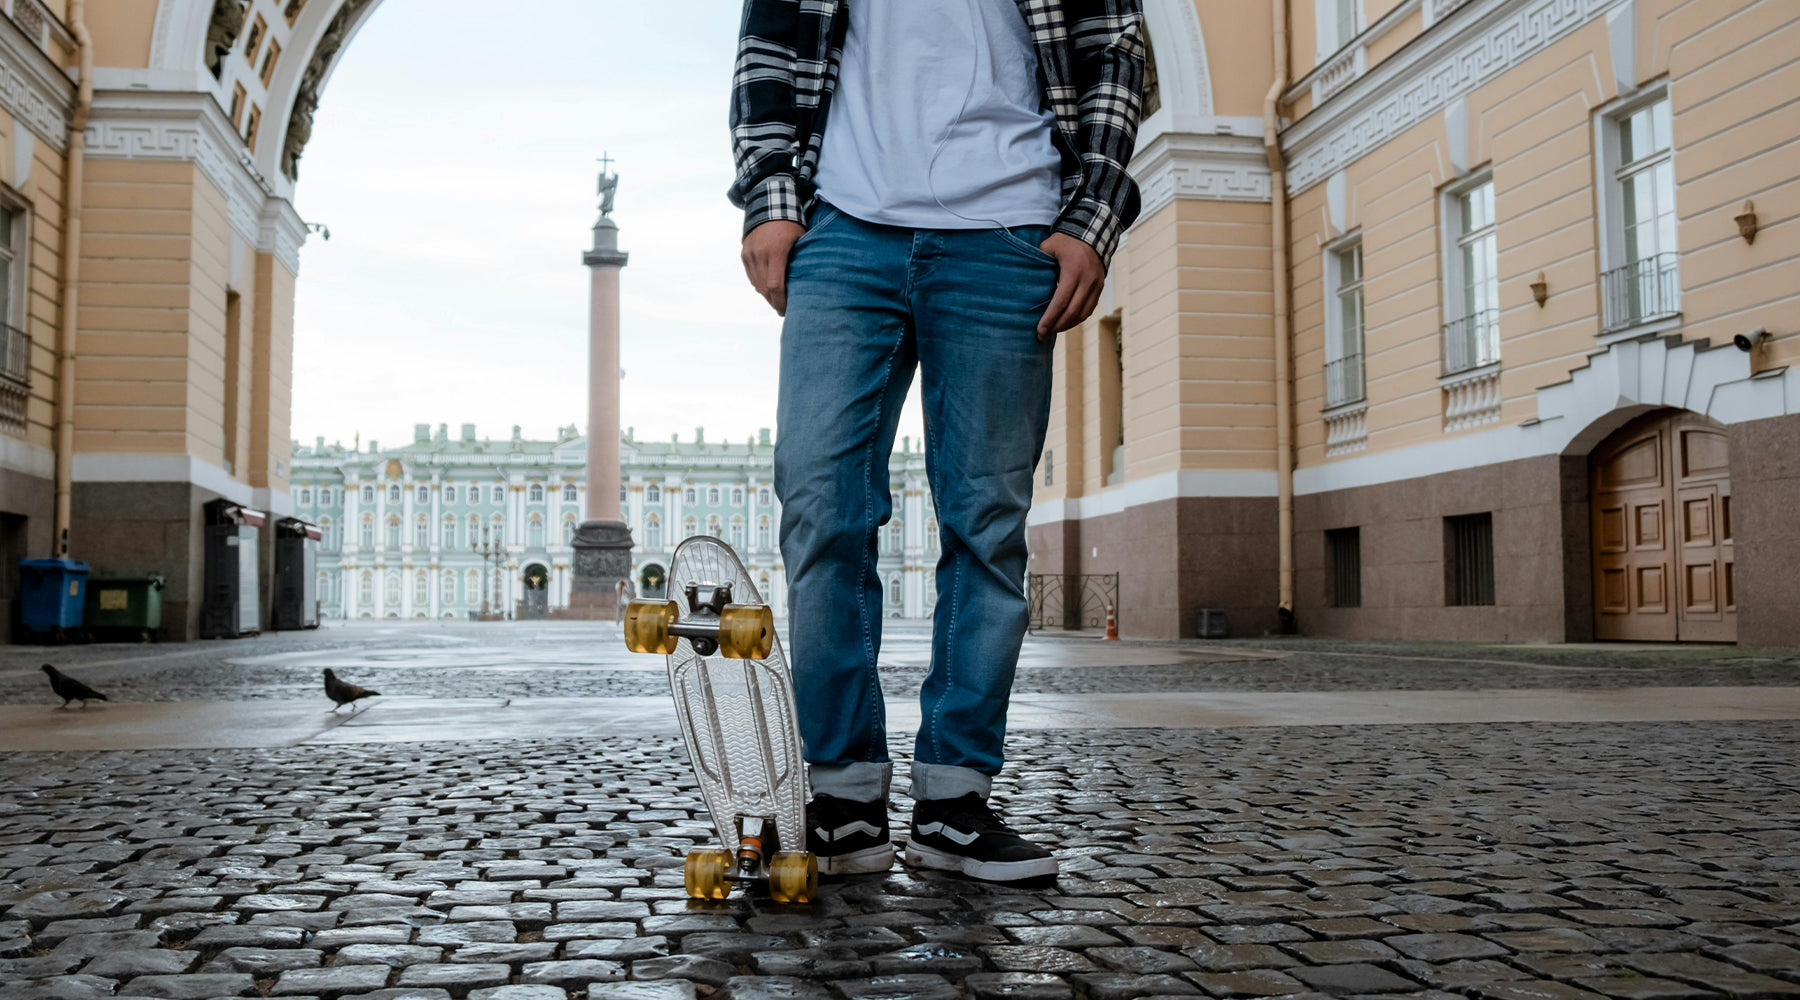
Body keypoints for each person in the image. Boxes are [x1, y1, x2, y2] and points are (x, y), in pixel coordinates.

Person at [731, 0, 1146, 881]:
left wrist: (1092, 216)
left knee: (985, 527)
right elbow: (768, 49)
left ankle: (954, 803)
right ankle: (843, 799)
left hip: (1008, 231)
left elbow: (1113, 50)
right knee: (821, 509)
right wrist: (770, 198)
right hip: (845, 228)